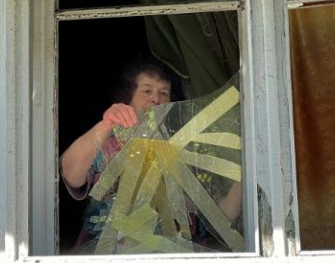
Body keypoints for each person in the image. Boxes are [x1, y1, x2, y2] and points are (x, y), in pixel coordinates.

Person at [59, 58, 242, 253]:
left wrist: (245, 166)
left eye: (164, 92)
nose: (156, 99)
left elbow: (222, 216)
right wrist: (106, 124)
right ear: (128, 98)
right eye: (147, 91)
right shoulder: (110, 144)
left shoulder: (188, 152)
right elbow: (70, 173)